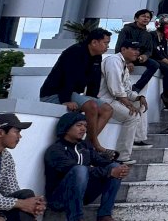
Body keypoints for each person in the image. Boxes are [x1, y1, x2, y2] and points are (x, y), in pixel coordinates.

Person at [38, 28, 115, 158]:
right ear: (94, 42)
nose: (107, 46)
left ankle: (87, 144)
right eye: (105, 43)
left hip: (72, 93)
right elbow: (67, 78)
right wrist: (66, 100)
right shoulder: (75, 52)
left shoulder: (97, 56)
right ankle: (95, 145)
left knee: (107, 109)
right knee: (91, 106)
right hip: (55, 93)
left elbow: (94, 81)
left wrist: (92, 97)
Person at [44, 112, 127, 221]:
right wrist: (109, 172)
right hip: (59, 199)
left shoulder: (84, 146)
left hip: (83, 196)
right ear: (66, 127)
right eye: (79, 125)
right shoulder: (55, 150)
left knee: (114, 166)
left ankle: (105, 215)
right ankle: (76, 218)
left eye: (85, 126)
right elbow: (76, 169)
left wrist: (120, 168)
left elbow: (100, 161)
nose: (83, 129)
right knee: (80, 170)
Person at [98, 41, 147, 165]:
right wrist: (128, 104)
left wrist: (138, 97)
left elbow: (126, 90)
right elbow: (115, 89)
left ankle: (138, 139)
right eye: (133, 49)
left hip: (114, 99)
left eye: (138, 50)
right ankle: (122, 157)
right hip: (103, 100)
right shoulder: (113, 61)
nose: (137, 52)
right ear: (123, 49)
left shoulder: (124, 65)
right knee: (132, 116)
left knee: (140, 104)